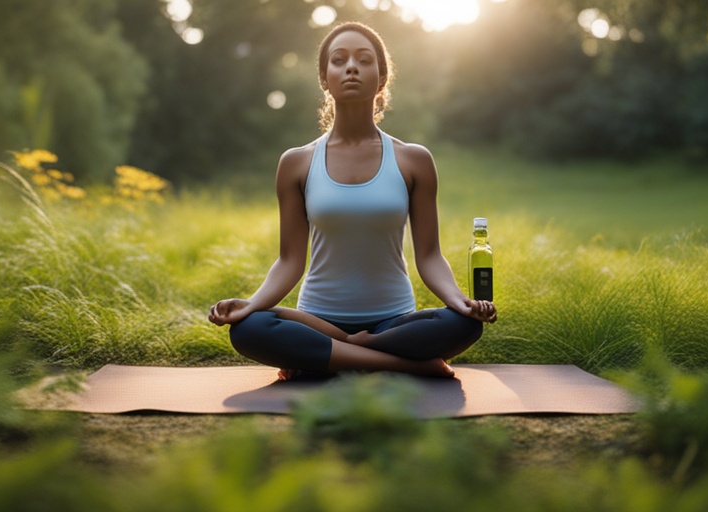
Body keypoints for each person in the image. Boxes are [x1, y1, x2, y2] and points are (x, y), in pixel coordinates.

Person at [208, 21, 497, 380]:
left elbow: (429, 255)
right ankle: (404, 365)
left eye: (364, 59)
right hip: (318, 319)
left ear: (381, 78)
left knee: (463, 325)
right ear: (324, 79)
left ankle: (331, 356)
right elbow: (289, 260)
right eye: (339, 60)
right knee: (250, 328)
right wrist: (253, 304)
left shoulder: (413, 160)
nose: (351, 68)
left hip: (394, 321)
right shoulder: (296, 163)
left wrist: (459, 301)